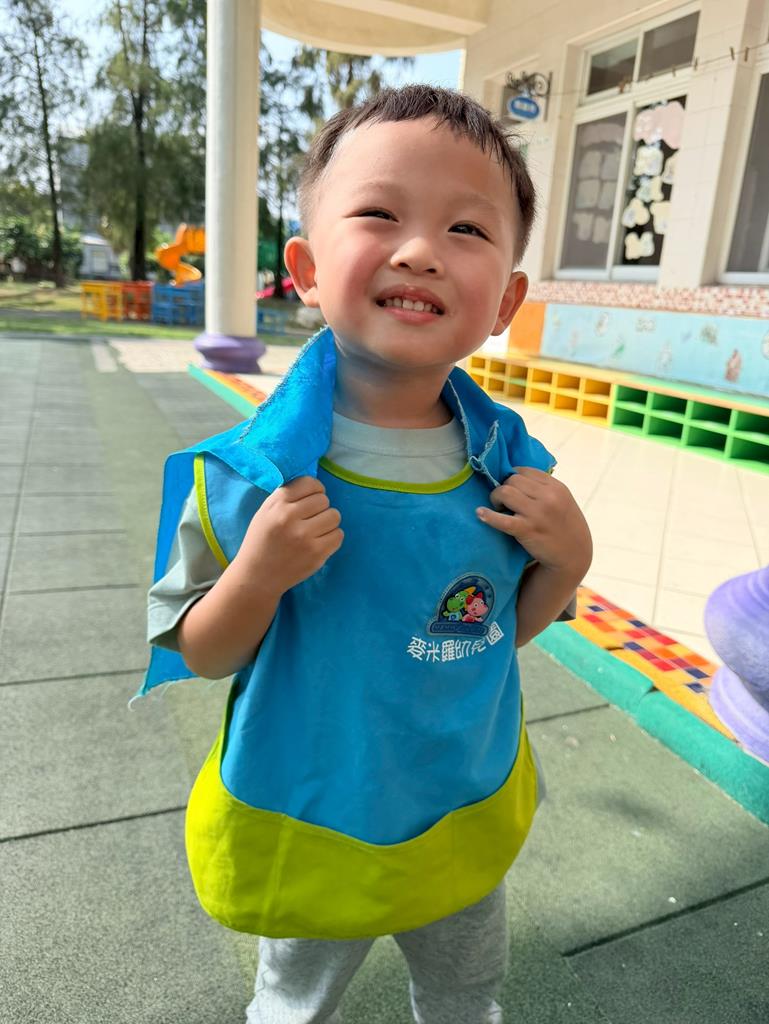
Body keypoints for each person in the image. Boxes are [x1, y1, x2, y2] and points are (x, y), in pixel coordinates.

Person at [143, 85, 592, 1024]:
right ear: (306, 269)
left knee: (464, 994)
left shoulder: (512, 468)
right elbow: (201, 651)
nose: (420, 250)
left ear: (506, 300)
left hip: (457, 802)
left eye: (466, 229)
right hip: (314, 809)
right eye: (380, 214)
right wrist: (258, 573)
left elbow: (498, 635)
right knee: (293, 1006)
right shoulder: (248, 474)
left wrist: (568, 560)